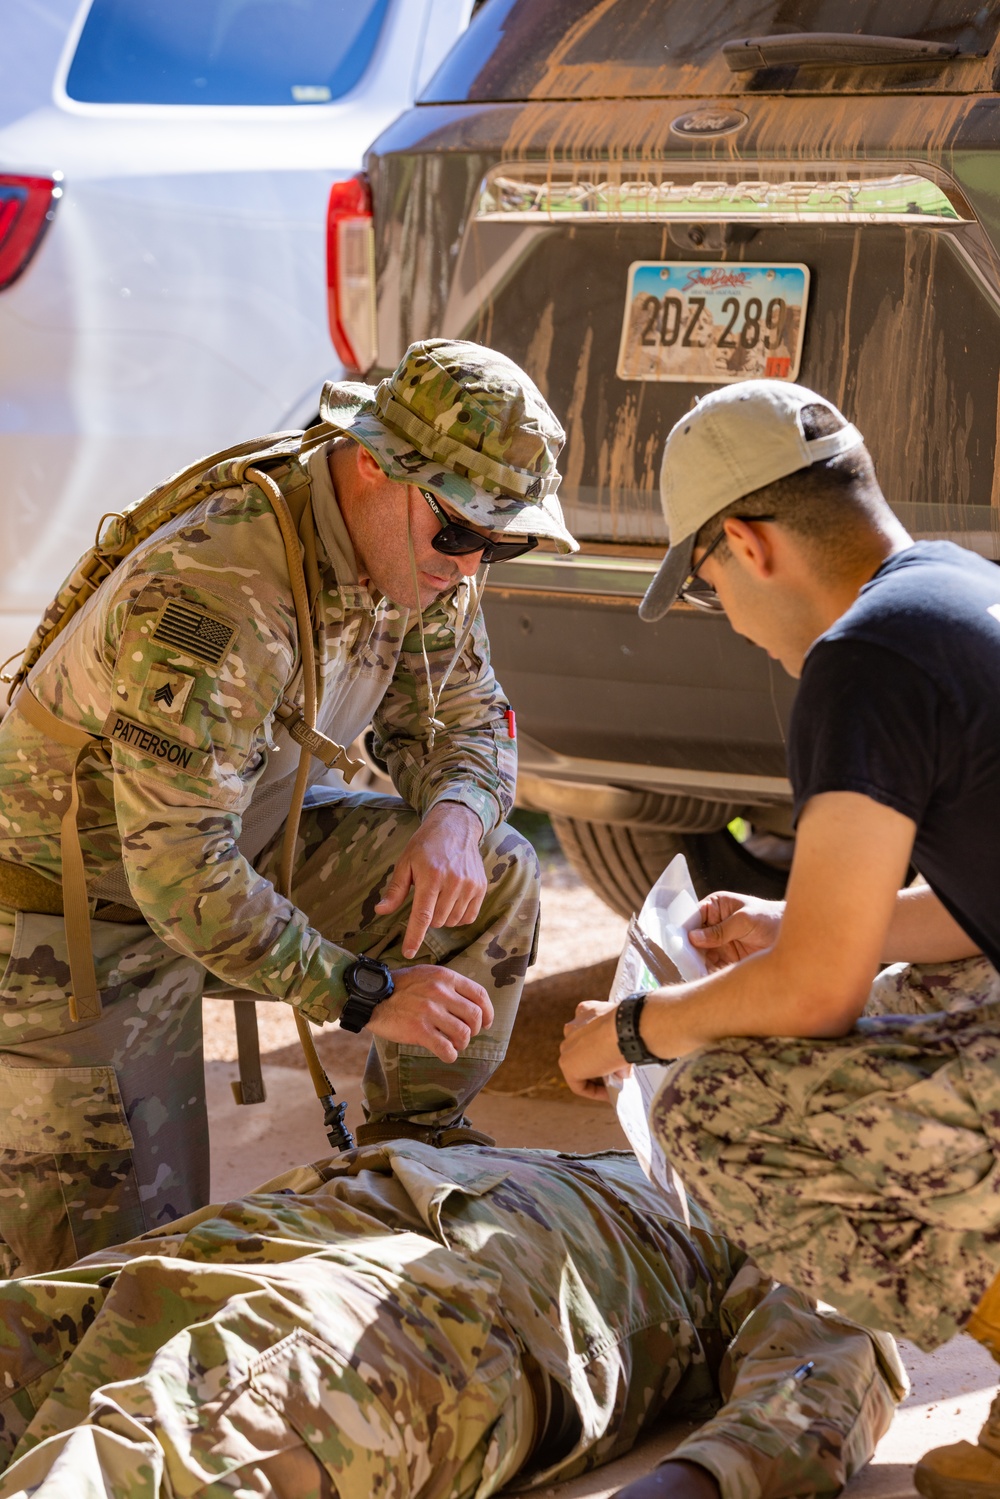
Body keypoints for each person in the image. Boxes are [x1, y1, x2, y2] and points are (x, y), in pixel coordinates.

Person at [0, 338, 574, 1279]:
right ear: (374, 465)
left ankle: (412, 1170)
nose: (472, 566)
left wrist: (456, 816)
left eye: (503, 543)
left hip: (235, 851)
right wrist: (364, 993)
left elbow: (468, 715)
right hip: (71, 922)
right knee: (102, 1290)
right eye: (466, 535)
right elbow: (180, 874)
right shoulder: (219, 592)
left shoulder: (414, 548)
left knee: (497, 867)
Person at [556, 379, 1000, 1498]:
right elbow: (971, 907)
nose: (734, 620)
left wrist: (632, 1030)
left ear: (748, 544)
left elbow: (814, 998)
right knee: (912, 993)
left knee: (716, 1108)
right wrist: (782, 922)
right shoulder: (955, 590)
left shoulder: (862, 660)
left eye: (705, 588)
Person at [0, 1141, 903, 1498]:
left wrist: (682, 1489)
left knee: (183, 1431)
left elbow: (820, 1377)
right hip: (296, 1227)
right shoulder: (640, 1139)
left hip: (449, 1307)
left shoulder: (804, 1214)